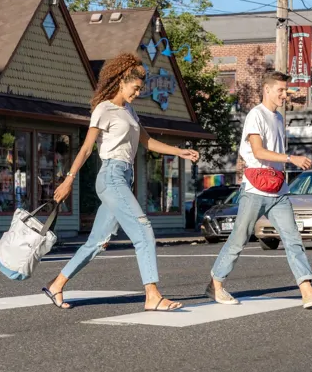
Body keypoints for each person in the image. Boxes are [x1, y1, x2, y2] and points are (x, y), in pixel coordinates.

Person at [46, 53, 200, 311]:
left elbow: (147, 142)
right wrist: (68, 180)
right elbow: (85, 149)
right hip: (111, 175)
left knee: (96, 242)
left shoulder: (130, 111)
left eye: (141, 89)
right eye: (135, 88)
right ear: (120, 81)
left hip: (123, 179)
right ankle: (152, 295)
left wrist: (179, 151)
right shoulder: (103, 109)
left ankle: (56, 285)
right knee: (143, 231)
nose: (138, 93)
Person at [206, 71, 312, 309]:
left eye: (285, 90)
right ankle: (216, 283)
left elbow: (261, 151)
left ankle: (307, 291)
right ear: (266, 90)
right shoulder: (255, 115)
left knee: (293, 239)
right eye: (280, 90)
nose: (284, 95)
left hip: (278, 189)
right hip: (255, 189)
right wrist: (291, 158)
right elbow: (258, 152)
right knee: (239, 239)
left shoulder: (278, 117)